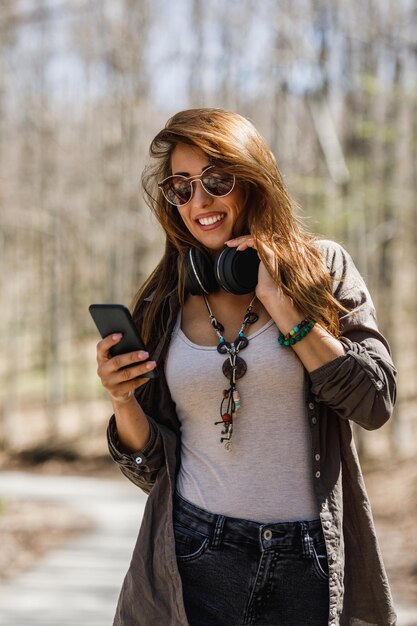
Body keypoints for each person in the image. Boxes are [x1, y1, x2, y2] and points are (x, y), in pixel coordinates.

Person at [95, 108, 397, 626]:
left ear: (253, 182)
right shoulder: (165, 299)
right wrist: (122, 397)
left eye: (216, 180)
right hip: (196, 553)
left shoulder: (323, 269)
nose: (200, 201)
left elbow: (373, 403)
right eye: (182, 187)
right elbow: (151, 467)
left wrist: (286, 306)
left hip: (308, 559)